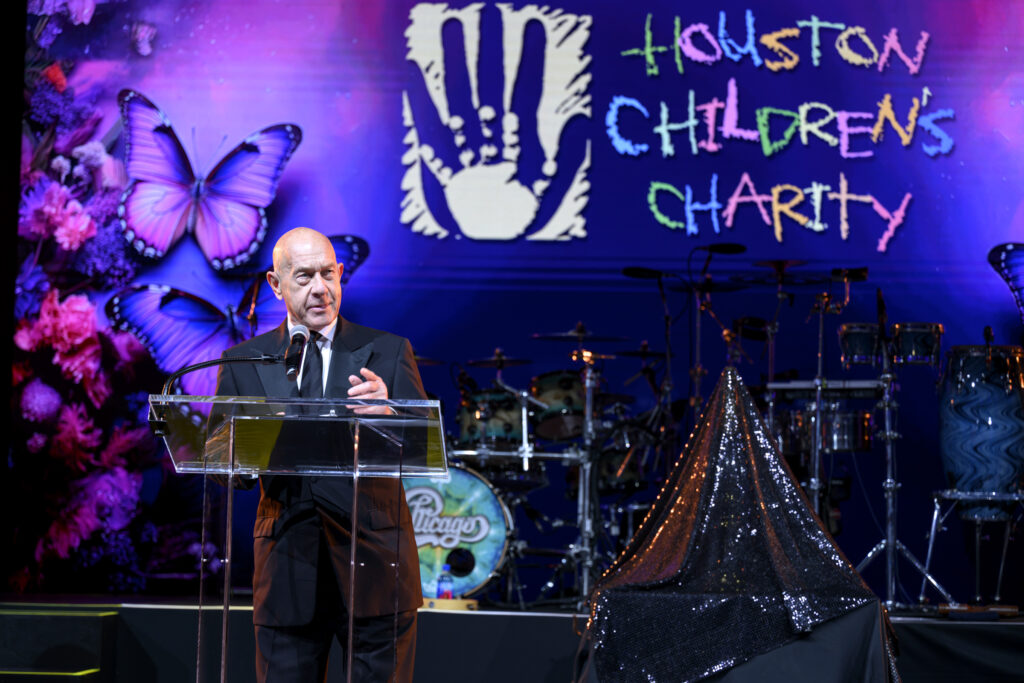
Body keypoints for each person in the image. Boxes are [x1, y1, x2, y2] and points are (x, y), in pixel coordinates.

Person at [215, 227, 425, 682]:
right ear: (275, 284)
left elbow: (418, 452)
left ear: (341, 274)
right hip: (288, 570)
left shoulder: (388, 352)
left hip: (375, 568)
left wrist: (388, 415)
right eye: (304, 276)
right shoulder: (243, 361)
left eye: (328, 274)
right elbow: (224, 468)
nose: (320, 288)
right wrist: (246, 444)